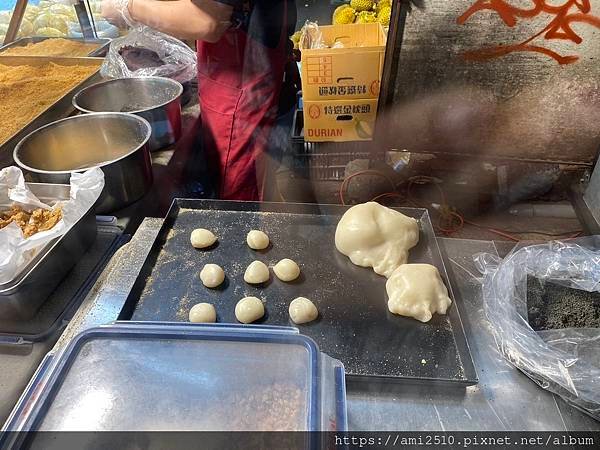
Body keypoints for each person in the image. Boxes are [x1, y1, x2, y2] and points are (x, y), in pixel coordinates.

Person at [102, 0, 298, 200]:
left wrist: (128, 8)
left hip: (240, 88)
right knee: (257, 183)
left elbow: (208, 20)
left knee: (240, 195)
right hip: (241, 74)